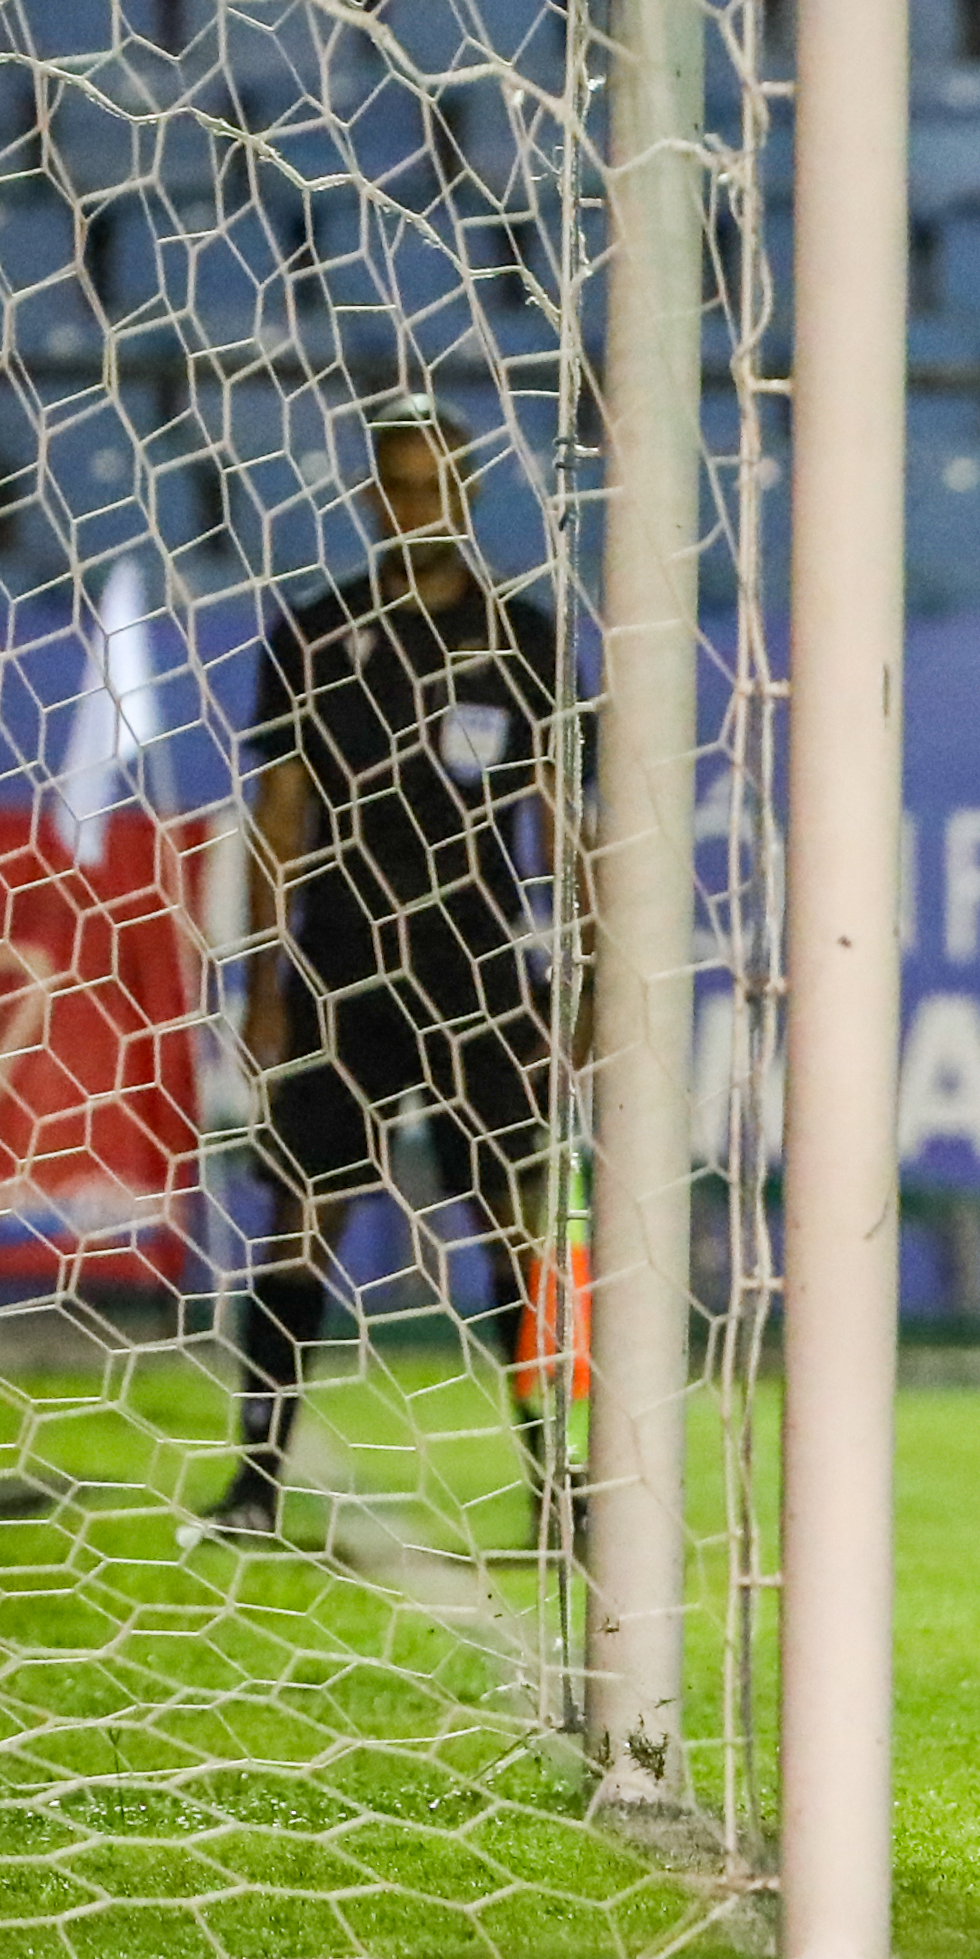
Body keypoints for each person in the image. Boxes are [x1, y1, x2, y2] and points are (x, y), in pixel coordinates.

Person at [209, 399, 568, 1543]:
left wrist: (589, 969)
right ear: (371, 498)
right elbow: (281, 811)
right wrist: (264, 978)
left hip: (477, 966)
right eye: (398, 487)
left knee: (514, 1225)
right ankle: (257, 1479)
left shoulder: (528, 640)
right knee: (300, 1215)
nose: (418, 506)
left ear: (467, 494)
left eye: (436, 485)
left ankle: (555, 1485)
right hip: (344, 965)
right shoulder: (316, 634)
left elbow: (566, 816)